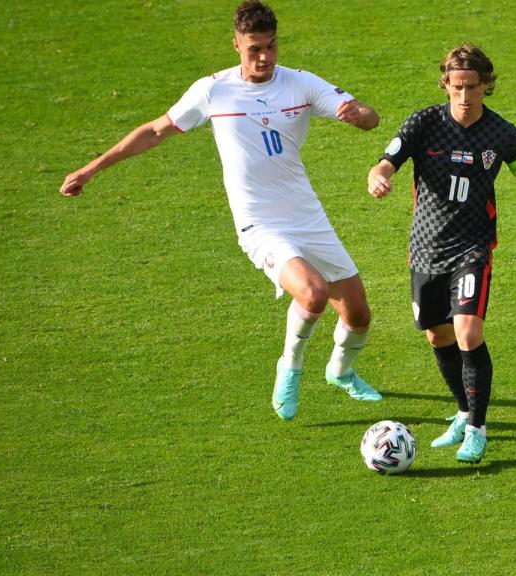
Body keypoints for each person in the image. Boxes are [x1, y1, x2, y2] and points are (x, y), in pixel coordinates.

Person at [59, 1, 384, 421]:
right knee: (313, 293)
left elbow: (371, 117)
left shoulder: (300, 83)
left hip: (307, 216)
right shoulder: (214, 91)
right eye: (254, 49)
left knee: (358, 315)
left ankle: (340, 372)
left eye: (270, 46)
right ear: (236, 46)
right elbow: (155, 132)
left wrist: (358, 116)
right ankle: (290, 368)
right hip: (259, 224)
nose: (264, 57)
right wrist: (91, 169)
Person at [367, 44, 516, 463]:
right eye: (457, 87)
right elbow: (386, 162)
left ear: (486, 85)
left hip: (473, 246)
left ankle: (477, 429)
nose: (465, 96)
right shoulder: (424, 123)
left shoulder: (502, 134)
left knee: (468, 331)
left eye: (472, 86)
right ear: (446, 85)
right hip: (426, 247)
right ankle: (461, 411)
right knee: (438, 335)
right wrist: (378, 177)